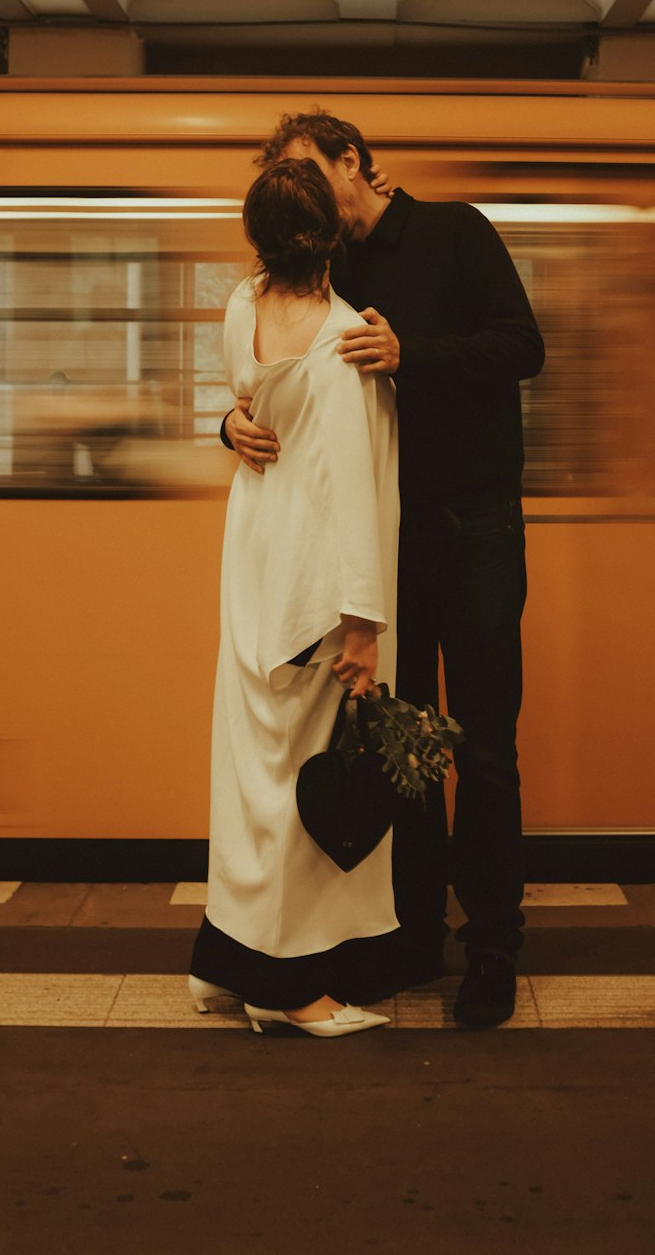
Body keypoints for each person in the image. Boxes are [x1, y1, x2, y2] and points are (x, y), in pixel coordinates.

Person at [222, 110, 545, 1027]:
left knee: (482, 747)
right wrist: (229, 425)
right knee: (398, 748)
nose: (300, 197)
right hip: (381, 546)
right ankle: (410, 933)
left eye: (308, 175)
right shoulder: (319, 264)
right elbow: (273, 380)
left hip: (474, 529)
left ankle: (493, 945)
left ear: (353, 161)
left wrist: (413, 355)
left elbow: (524, 347)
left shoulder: (456, 231)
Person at [189, 156, 401, 1038]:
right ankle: (289, 987)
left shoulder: (242, 309)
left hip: (251, 565)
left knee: (249, 779)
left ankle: (222, 964)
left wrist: (229, 422)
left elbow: (241, 404)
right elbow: (353, 487)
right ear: (329, 237)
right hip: (315, 587)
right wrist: (363, 623)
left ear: (258, 239)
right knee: (297, 790)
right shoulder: (343, 338)